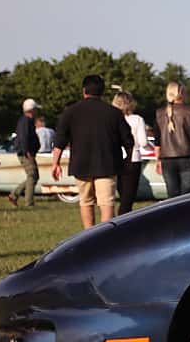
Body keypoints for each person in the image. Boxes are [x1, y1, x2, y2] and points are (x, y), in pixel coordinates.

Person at [51, 73, 132, 230]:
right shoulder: (113, 113)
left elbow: (60, 141)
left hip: (81, 165)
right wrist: (127, 160)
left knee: (86, 202)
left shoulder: (70, 112)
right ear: (102, 92)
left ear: (84, 91)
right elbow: (128, 141)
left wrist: (56, 163)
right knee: (107, 203)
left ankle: (88, 235)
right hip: (107, 165)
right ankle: (106, 238)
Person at [155, 81, 190, 198]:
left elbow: (157, 142)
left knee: (172, 195)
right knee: (188, 195)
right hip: (188, 157)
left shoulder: (159, 114)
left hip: (167, 159)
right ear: (182, 94)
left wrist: (158, 160)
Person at [111, 91, 148, 214]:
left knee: (122, 195)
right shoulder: (137, 120)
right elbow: (143, 142)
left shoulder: (112, 120)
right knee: (128, 199)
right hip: (133, 158)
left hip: (116, 158)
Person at [8, 97, 40, 208]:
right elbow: (24, 137)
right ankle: (28, 202)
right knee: (32, 175)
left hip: (26, 152)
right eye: (36, 109)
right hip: (26, 153)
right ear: (31, 110)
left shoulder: (26, 121)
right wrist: (27, 152)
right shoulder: (26, 121)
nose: (37, 112)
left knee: (33, 176)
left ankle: (14, 194)